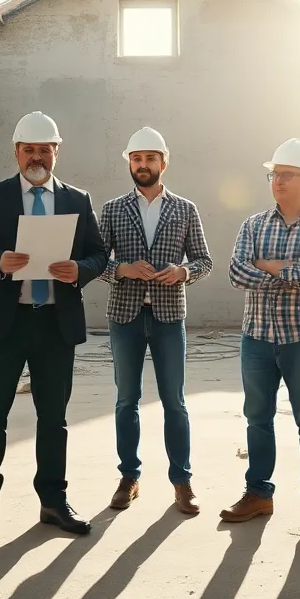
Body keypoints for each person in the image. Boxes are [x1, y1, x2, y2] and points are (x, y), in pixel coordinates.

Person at [0, 111, 108, 542]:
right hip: (5, 324)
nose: (36, 157)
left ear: (57, 152)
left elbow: (99, 254)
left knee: (54, 418)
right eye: (29, 150)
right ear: (16, 152)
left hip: (55, 325)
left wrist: (79, 270)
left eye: (44, 149)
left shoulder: (77, 199)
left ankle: (53, 501)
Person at [221, 138, 300, 540]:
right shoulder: (253, 225)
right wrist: (289, 270)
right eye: (275, 174)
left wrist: (269, 266)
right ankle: (258, 494)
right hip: (257, 338)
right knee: (258, 419)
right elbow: (237, 273)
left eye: (288, 174)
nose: (278, 181)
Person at [98, 127, 213, 515]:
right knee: (126, 400)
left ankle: (182, 481)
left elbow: (204, 260)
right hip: (125, 316)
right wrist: (122, 269)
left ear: (164, 162)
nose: (142, 164)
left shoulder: (185, 209)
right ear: (129, 163)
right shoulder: (113, 209)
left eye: (149, 158)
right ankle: (128, 478)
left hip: (168, 317)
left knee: (174, 403)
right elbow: (95, 261)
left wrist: (184, 272)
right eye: (136, 159)